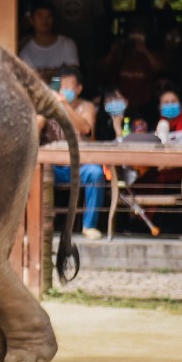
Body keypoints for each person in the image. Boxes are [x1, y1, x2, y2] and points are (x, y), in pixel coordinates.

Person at [46, 70, 107, 239]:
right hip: (55, 167)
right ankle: (40, 222)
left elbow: (86, 129)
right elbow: (36, 127)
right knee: (34, 172)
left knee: (95, 173)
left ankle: (89, 225)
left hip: (80, 166)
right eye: (61, 86)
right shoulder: (50, 107)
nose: (64, 90)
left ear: (78, 89)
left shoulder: (86, 107)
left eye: (68, 86)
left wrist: (64, 106)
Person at [17, 6, 80, 79]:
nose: (44, 20)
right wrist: (58, 70)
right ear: (31, 20)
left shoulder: (67, 44)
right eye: (40, 16)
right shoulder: (25, 52)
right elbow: (27, 80)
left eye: (48, 16)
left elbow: (73, 74)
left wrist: (42, 73)